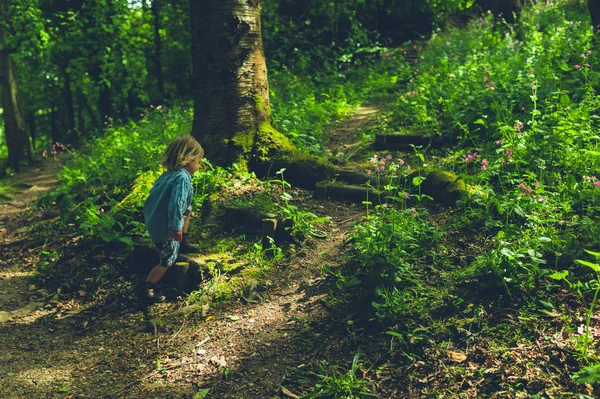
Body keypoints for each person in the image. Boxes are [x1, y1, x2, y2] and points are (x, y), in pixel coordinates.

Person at [139, 134, 204, 303]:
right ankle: (147, 288)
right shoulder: (181, 178)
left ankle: (183, 241)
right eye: (198, 160)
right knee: (168, 259)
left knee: (188, 210)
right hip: (165, 225)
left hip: (156, 220)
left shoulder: (169, 174)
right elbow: (175, 205)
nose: (199, 163)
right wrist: (175, 227)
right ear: (188, 159)